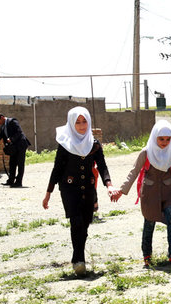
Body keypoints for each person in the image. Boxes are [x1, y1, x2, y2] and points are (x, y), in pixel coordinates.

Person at [42, 107, 119, 277]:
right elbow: (57, 169)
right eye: (78, 122)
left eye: (84, 121)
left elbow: (102, 165)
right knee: (76, 221)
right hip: (69, 189)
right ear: (71, 123)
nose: (82, 125)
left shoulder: (94, 144)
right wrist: (49, 192)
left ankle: (77, 257)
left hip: (88, 189)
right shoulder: (65, 144)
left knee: (85, 224)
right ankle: (79, 261)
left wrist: (109, 185)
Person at [113, 120, 171, 266]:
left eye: (168, 139)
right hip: (149, 194)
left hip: (168, 193)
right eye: (161, 139)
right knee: (149, 222)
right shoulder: (146, 153)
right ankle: (147, 255)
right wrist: (122, 190)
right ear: (154, 137)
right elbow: (134, 172)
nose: (165, 142)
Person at [0, 113, 31, 187]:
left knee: (20, 164)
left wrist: (11, 139)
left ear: (2, 117)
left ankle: (18, 182)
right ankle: (11, 181)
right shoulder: (2, 127)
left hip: (21, 145)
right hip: (13, 148)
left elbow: (19, 132)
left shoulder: (12, 121)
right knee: (12, 164)